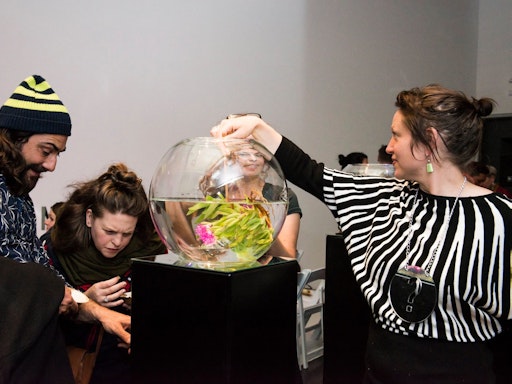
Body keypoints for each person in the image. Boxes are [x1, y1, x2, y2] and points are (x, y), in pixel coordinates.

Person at [211, 84, 512, 383]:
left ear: (428, 142)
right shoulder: (385, 197)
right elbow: (311, 173)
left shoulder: (501, 219)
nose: (389, 147)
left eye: (397, 135)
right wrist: (257, 128)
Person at [0, 75, 130, 382]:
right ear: (14, 138)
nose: (52, 165)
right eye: (46, 150)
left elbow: (49, 281)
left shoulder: (19, 199)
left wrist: (103, 315)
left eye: (57, 153)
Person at [46, 163, 167, 384]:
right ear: (90, 218)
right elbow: (37, 312)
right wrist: (84, 301)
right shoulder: (56, 247)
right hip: (69, 365)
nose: (117, 242)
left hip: (126, 366)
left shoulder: (149, 248)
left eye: (126, 233)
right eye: (109, 231)